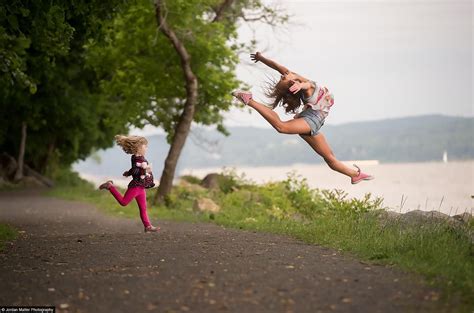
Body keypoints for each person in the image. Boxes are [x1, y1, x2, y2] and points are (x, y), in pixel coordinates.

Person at [232, 52, 374, 184]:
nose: (283, 75)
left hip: (314, 123)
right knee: (281, 126)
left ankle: (354, 175)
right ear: (292, 84)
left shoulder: (295, 78)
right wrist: (300, 85)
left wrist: (261, 58)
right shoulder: (306, 86)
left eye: (282, 78)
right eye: (283, 78)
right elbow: (307, 86)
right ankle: (249, 100)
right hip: (311, 120)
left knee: (330, 158)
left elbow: (276, 66)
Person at [99, 135, 159, 233]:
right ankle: (110, 186)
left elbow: (134, 169)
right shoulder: (136, 158)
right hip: (136, 186)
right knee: (123, 202)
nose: (147, 148)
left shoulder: (140, 158)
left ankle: (148, 226)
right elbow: (136, 171)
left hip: (141, 187)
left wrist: (129, 172)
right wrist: (144, 170)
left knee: (143, 208)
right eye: (145, 146)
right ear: (138, 147)